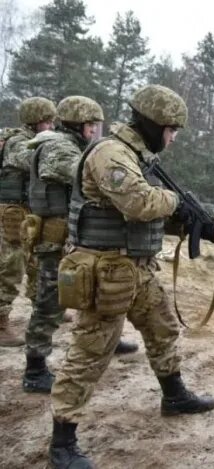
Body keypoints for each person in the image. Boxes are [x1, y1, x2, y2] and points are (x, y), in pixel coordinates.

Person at [48, 84, 214, 468]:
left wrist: (190, 223)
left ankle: (174, 395)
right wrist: (177, 202)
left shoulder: (137, 157)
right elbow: (138, 202)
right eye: (171, 130)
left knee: (162, 328)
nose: (172, 138)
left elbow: (140, 218)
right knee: (90, 353)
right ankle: (61, 445)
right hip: (106, 271)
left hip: (137, 269)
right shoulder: (110, 153)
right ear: (153, 124)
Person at [20, 96, 139, 393]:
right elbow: (84, 173)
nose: (95, 131)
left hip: (70, 236)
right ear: (76, 124)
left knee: (93, 291)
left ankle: (106, 339)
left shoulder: (73, 145)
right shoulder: (58, 146)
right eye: (90, 125)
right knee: (49, 301)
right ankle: (35, 368)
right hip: (53, 238)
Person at [0, 97, 55, 347]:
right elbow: (31, 161)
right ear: (34, 120)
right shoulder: (17, 141)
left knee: (36, 261)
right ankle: (1, 321)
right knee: (11, 264)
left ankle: (40, 306)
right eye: (47, 122)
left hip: (29, 209)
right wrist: (52, 147)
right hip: (12, 211)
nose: (51, 126)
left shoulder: (34, 139)